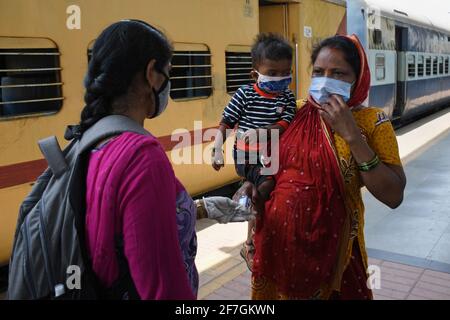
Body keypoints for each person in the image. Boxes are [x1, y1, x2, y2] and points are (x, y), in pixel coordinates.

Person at [234, 34, 406, 300]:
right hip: (277, 248)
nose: (325, 80)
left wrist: (352, 135)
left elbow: (393, 195)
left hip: (337, 260)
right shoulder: (292, 112)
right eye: (318, 72)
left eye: (338, 73)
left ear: (357, 78)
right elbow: (266, 166)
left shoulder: (372, 122)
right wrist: (250, 184)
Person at [81, 20, 197, 299]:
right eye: (167, 73)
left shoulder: (89, 140)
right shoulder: (143, 157)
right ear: (151, 74)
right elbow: (162, 289)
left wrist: (199, 209)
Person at [211, 33, 297, 271]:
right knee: (267, 185)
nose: (280, 78)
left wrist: (265, 131)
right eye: (272, 72)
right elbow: (227, 121)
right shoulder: (245, 94)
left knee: (267, 187)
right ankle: (250, 235)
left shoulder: (287, 97)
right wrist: (217, 149)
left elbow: (287, 122)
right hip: (246, 155)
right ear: (255, 74)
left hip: (269, 155)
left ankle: (248, 195)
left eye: (285, 73)